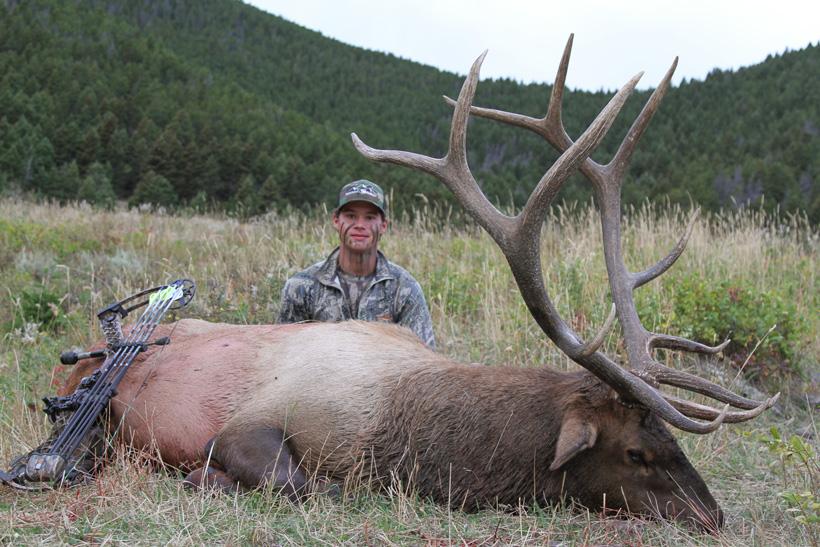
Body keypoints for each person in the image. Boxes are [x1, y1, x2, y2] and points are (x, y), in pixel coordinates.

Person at [277, 179, 435, 348]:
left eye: (369, 217)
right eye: (351, 216)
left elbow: (424, 357)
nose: (360, 225)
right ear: (336, 221)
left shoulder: (405, 289)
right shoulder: (301, 287)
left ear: (383, 225)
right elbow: (284, 352)